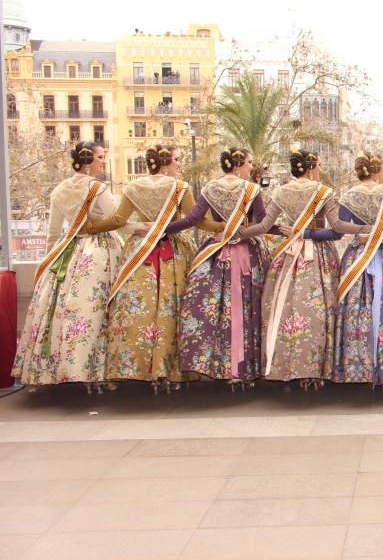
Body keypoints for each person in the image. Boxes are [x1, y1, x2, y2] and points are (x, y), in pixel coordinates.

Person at [84, 145, 223, 392]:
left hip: (140, 250)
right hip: (174, 251)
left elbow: (118, 221)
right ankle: (172, 369)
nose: (179, 164)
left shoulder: (133, 187)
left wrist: (91, 227)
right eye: (176, 160)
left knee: (139, 308)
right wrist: (222, 227)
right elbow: (196, 220)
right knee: (176, 307)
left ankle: (136, 368)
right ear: (166, 163)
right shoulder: (180, 187)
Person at [235, 150, 370, 390]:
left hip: (288, 254)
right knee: (318, 310)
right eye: (318, 164)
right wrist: (368, 227)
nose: (320, 168)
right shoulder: (323, 191)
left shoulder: (281, 191)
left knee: (284, 308)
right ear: (310, 167)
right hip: (317, 256)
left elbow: (266, 226)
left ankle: (287, 365)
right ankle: (315, 369)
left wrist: (235, 233)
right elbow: (337, 229)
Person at [13, 142, 122, 392]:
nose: (103, 162)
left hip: (68, 251)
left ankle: (56, 368)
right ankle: (97, 369)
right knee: (99, 308)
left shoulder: (59, 189)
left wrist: (49, 261)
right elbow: (116, 220)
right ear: (87, 161)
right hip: (98, 251)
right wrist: (140, 229)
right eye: (100, 157)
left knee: (60, 310)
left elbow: (53, 233)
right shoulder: (98, 188)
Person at [166, 147, 269, 388]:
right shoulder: (252, 190)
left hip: (217, 252)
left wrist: (162, 229)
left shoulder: (210, 188)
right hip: (247, 252)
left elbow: (193, 220)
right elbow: (262, 223)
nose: (251, 167)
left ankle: (219, 364)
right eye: (249, 162)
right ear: (238, 164)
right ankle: (244, 367)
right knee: (247, 308)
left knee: (217, 310)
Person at [328, 151, 383, 387]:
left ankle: (358, 366)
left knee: (358, 308)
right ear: (375, 170)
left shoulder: (349, 195)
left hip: (358, 253)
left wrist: (363, 230)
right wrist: (378, 230)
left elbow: (340, 226)